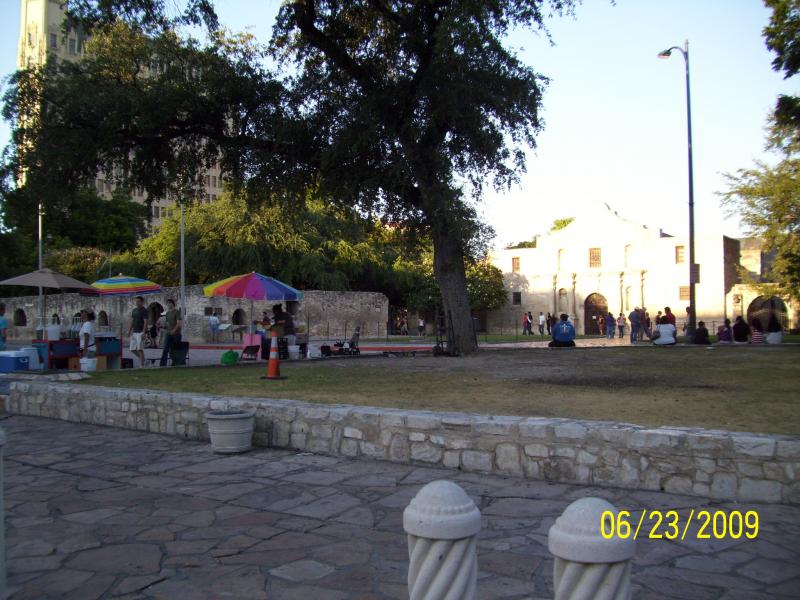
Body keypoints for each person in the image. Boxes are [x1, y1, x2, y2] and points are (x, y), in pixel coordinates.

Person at [159, 299, 182, 367]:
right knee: (165, 348)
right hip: (168, 333)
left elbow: (179, 323)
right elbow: (167, 323)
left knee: (175, 350)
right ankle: (162, 365)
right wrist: (164, 327)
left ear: (173, 303)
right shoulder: (167, 313)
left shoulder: (177, 312)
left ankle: (176, 363)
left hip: (176, 334)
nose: (168, 304)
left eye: (170, 303)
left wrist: (174, 330)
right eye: (167, 303)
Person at [127, 296, 149, 367]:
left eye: (139, 301)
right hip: (134, 332)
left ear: (142, 302)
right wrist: (129, 330)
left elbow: (145, 322)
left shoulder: (144, 310)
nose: (137, 303)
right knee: (132, 349)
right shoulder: (134, 310)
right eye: (136, 301)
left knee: (140, 349)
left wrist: (144, 332)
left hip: (140, 332)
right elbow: (132, 321)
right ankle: (144, 360)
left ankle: (142, 365)